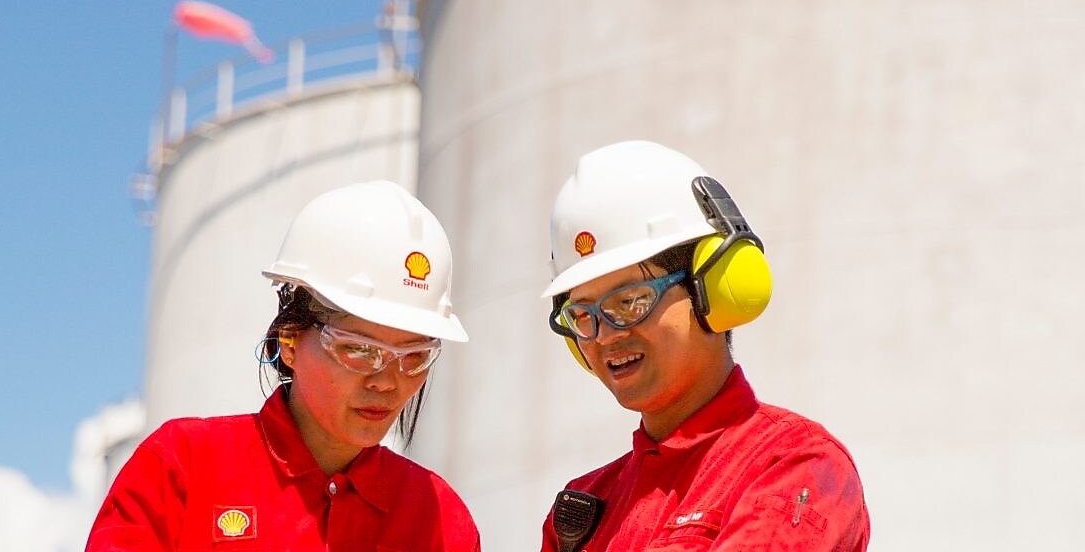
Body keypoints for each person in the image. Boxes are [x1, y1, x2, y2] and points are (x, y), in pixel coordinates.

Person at [86, 180, 481, 551]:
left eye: (413, 358)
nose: (387, 382)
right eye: (360, 351)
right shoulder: (181, 469)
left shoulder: (441, 521)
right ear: (289, 341)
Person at [539, 141, 869, 551]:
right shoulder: (583, 508)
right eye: (584, 315)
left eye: (630, 302)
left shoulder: (795, 465)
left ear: (708, 287)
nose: (606, 334)